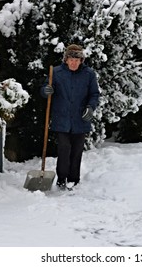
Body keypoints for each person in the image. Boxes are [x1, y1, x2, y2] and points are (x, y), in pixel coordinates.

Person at [41, 44, 100, 191]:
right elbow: (45, 89)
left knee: (77, 150)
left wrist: (90, 107)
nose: (74, 62)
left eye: (77, 60)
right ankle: (62, 178)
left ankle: (74, 179)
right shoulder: (56, 72)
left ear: (81, 61)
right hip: (62, 119)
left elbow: (94, 94)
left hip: (80, 119)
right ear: (66, 59)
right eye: (71, 59)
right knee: (64, 149)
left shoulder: (89, 74)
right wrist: (46, 90)